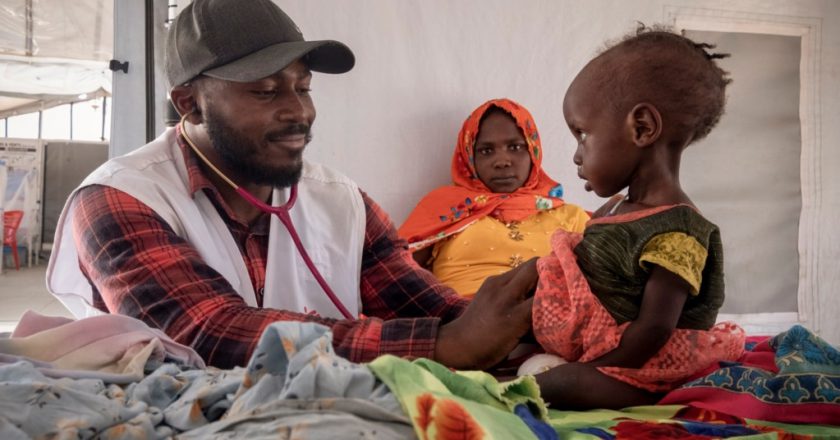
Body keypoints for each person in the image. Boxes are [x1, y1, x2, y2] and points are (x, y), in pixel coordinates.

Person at [46, 0, 537, 371]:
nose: (299, 112)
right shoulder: (120, 197)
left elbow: (430, 305)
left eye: (303, 87)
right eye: (265, 91)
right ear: (189, 104)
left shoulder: (342, 201)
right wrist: (441, 346)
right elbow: (205, 334)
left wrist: (532, 330)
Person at [527, 27, 745, 409]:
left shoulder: (679, 230)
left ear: (642, 128)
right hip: (600, 343)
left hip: (643, 363)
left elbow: (654, 330)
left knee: (562, 383)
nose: (578, 155)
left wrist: (596, 367)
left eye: (583, 134)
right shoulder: (614, 208)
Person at [399, 98, 589, 297]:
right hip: (462, 322)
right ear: (469, 157)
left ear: (533, 151)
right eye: (486, 151)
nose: (502, 161)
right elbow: (394, 276)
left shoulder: (571, 217)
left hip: (551, 320)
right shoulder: (444, 208)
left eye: (515, 147)